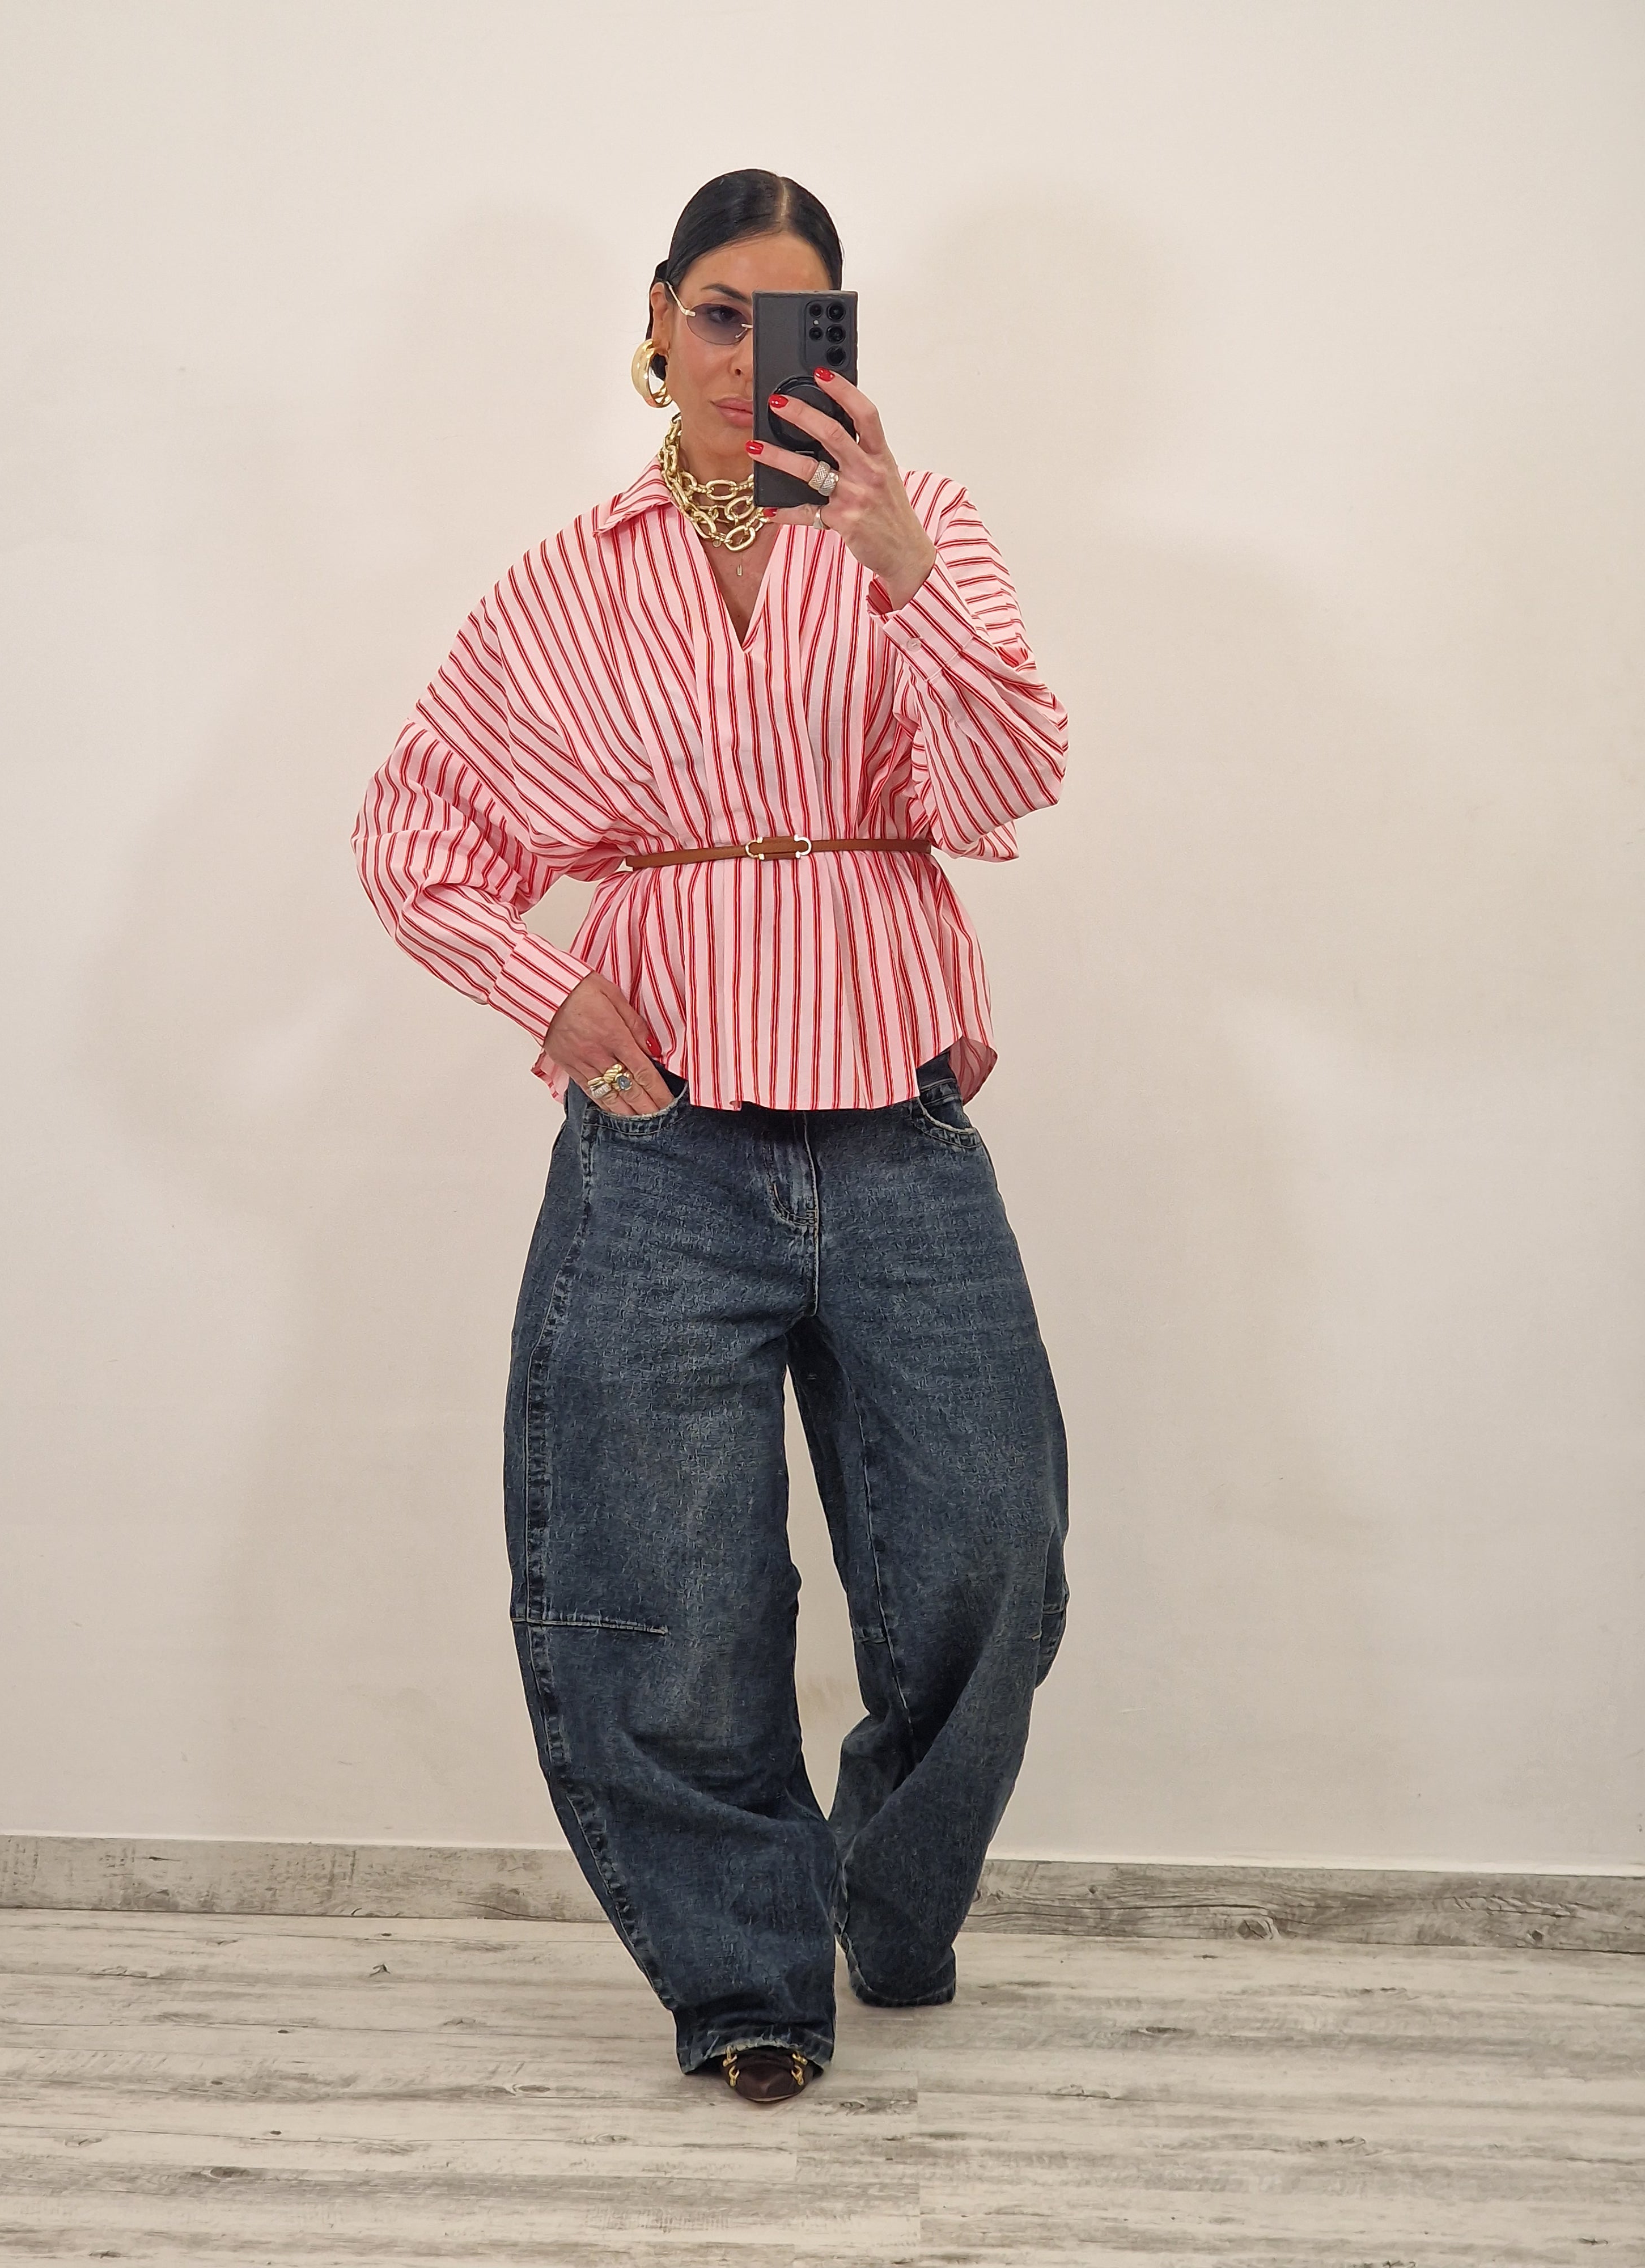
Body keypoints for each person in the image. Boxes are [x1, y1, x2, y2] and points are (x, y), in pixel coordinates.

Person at [353, 170, 1071, 2107]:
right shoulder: (569, 580)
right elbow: (412, 833)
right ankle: (749, 1974)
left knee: (991, 1558)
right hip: (663, 1143)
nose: (751, 357)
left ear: (845, 340)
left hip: (899, 1123)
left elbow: (1009, 785)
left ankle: (884, 1905)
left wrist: (902, 566)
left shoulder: (924, 528)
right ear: (659, 322)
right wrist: (545, 992)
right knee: (664, 1588)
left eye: (796, 320)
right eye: (720, 316)